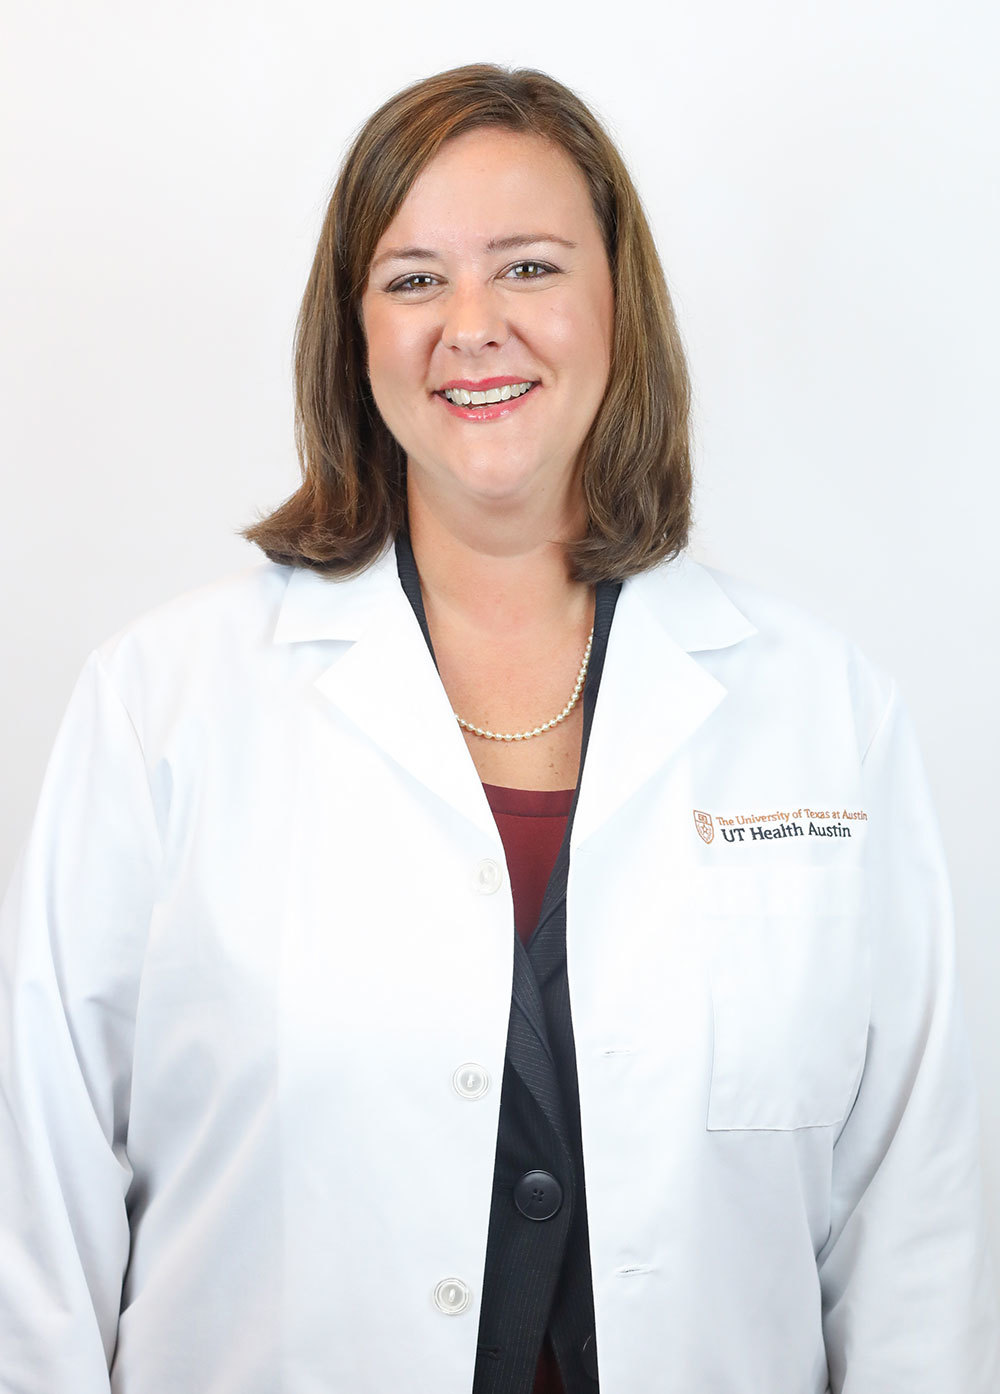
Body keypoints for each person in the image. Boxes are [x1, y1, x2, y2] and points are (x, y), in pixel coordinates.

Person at [0, 62, 996, 1394]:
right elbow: (37, 1223)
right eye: (414, 279)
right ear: (354, 333)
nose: (472, 327)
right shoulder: (162, 708)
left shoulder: (821, 712)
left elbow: (916, 1229)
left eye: (529, 267)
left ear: (618, 305)